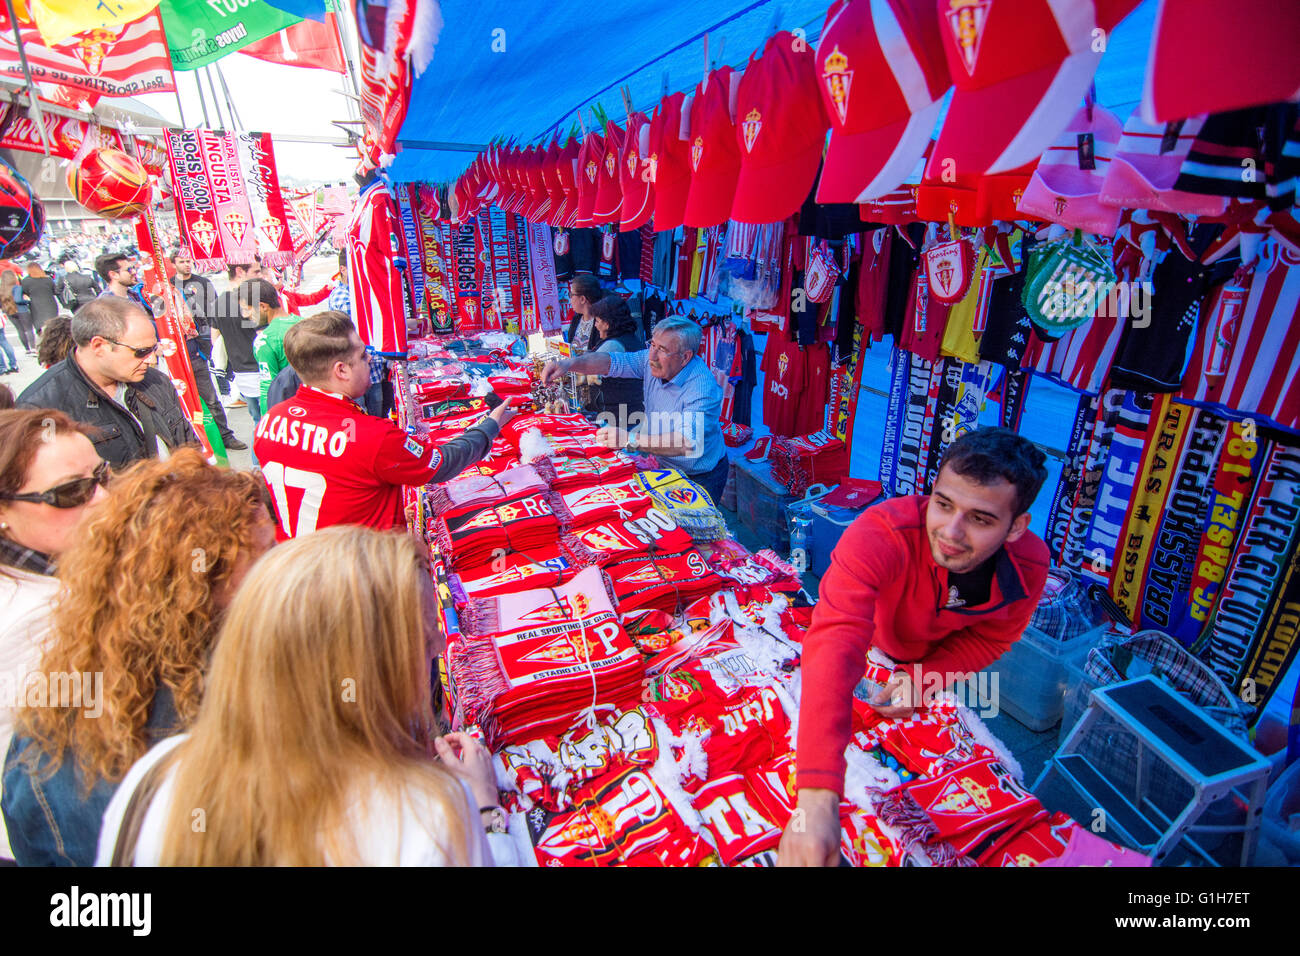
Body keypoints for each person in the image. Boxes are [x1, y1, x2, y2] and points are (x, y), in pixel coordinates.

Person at [96, 526, 516, 866]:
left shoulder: (154, 775)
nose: (443, 649)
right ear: (371, 673)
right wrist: (484, 810)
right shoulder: (426, 818)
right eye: (426, 641)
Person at [776, 427, 1051, 867]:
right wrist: (816, 794)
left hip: (929, 667)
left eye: (980, 519)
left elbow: (994, 636)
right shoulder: (880, 532)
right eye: (943, 504)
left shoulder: (1031, 565)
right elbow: (835, 641)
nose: (952, 531)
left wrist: (927, 678)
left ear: (1016, 527)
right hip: (865, 646)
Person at [1, 448, 276, 866]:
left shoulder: (71, 686)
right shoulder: (207, 718)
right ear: (196, 584)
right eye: (261, 557)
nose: (276, 572)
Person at [254, 311, 514, 537]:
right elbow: (441, 464)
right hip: (361, 577)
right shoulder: (371, 436)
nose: (371, 360)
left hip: (299, 564)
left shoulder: (269, 420)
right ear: (341, 370)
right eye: (363, 355)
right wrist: (489, 426)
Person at [0, 409, 109, 863]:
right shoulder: (39, 622)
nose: (102, 498)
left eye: (101, 475)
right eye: (71, 492)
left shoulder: (57, 572)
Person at [541, 314, 728, 504]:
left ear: (685, 357)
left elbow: (687, 442)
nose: (652, 355)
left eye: (662, 349)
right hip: (664, 465)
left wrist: (629, 439)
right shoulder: (651, 360)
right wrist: (570, 364)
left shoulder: (702, 388)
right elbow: (610, 362)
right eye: (652, 344)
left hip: (699, 475)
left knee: (696, 529)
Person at [16, 296, 199, 468]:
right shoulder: (40, 409)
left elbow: (188, 444)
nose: (151, 360)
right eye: (141, 351)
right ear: (99, 346)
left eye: (153, 349)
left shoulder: (156, 381)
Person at [209, 259, 263, 421]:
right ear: (240, 271)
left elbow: (215, 339)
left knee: (257, 422)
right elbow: (264, 337)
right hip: (262, 371)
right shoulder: (249, 301)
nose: (259, 276)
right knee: (271, 424)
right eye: (256, 272)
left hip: (240, 374)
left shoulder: (219, 303)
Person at [241, 278, 299, 416]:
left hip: (288, 413)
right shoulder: (306, 324)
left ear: (262, 306)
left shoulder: (265, 340)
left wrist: (266, 422)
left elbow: (268, 387)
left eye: (247, 309)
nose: (246, 315)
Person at [584, 295, 645, 421]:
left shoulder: (613, 346)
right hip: (632, 411)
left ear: (606, 324)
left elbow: (588, 369)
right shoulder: (631, 338)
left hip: (618, 417)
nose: (595, 325)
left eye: (597, 321)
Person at [564, 274, 605, 353]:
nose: (570, 299)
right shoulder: (576, 319)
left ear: (582, 299)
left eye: (571, 295)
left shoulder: (601, 323)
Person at [20, 262, 59, 335]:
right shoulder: (48, 279)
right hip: (50, 305)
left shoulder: (26, 281)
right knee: (54, 326)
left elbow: (24, 292)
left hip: (36, 306)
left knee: (40, 327)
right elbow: (55, 291)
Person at [1, 271, 33, 356]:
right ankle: (33, 347)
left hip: (9, 311)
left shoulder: (2, 290)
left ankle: (27, 349)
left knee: (20, 330)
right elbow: (18, 300)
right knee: (29, 329)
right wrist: (27, 300)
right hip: (21, 310)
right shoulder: (17, 288)